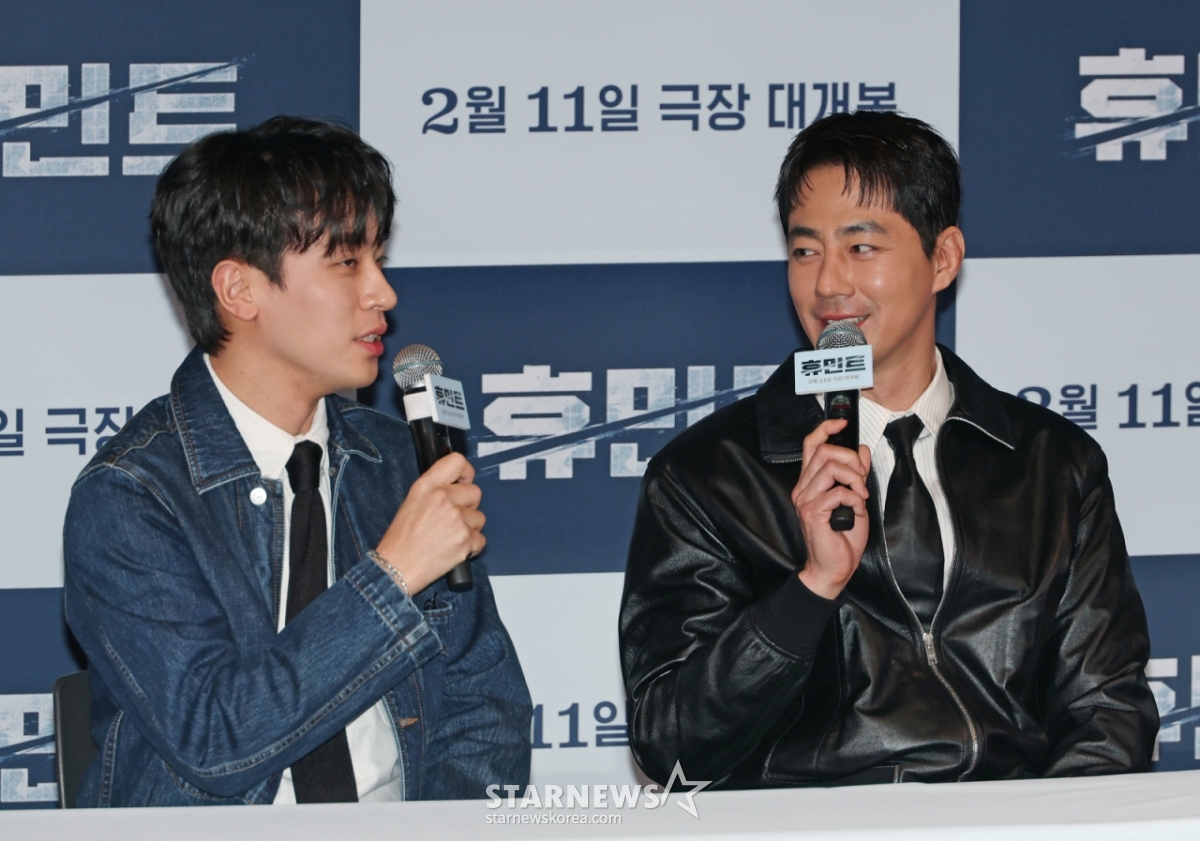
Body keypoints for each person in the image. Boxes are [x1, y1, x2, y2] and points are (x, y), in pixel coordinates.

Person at [619, 111, 1158, 788]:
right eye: (805, 249)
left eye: (862, 248)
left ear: (943, 258)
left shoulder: (1053, 464)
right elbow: (670, 744)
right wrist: (811, 588)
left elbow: (1107, 711)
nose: (828, 285)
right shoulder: (707, 475)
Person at [63, 117, 531, 807]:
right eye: (347, 262)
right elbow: (217, 741)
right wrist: (392, 576)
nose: (383, 293)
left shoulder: (399, 458)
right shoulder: (130, 498)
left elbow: (483, 710)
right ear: (240, 290)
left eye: (379, 257)